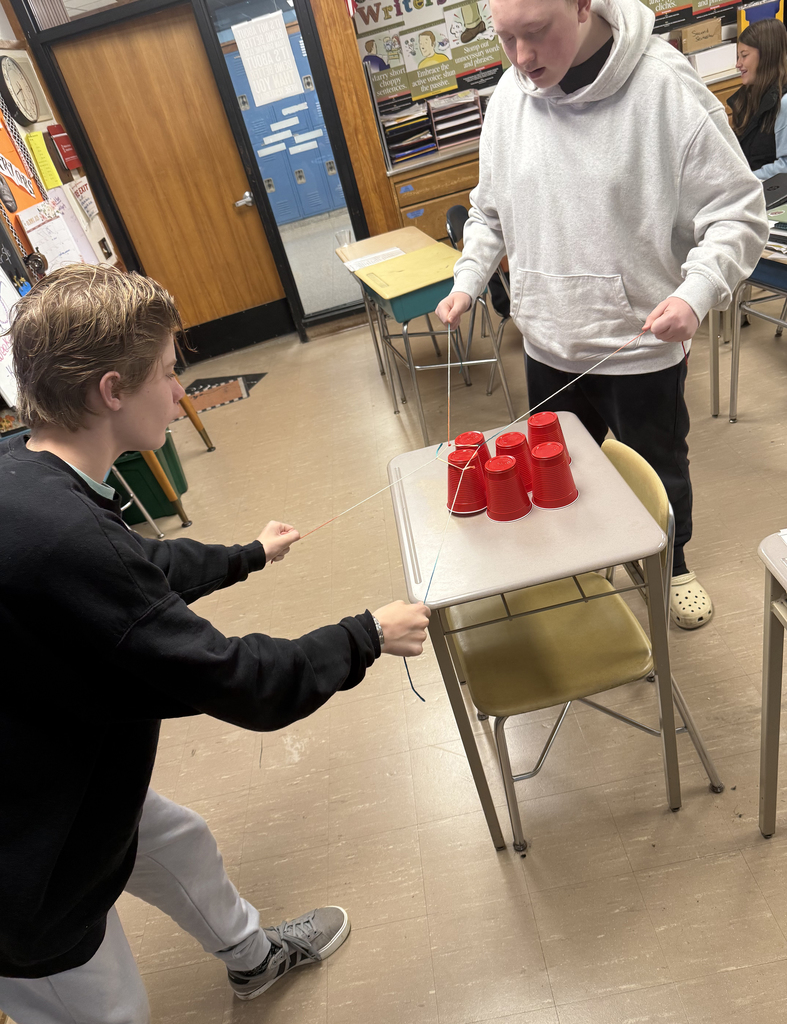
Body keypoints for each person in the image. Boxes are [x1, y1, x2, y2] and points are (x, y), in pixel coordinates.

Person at [0, 264, 430, 1023]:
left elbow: (138, 567)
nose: (179, 392)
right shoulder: (67, 537)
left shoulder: (22, 472)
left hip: (52, 767)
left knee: (178, 841)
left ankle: (252, 959)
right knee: (110, 1014)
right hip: (24, 869)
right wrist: (367, 634)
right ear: (111, 391)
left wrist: (246, 555)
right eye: (167, 374)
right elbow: (243, 682)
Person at [436, 0, 769, 630]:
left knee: (661, 471)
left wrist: (695, 292)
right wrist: (469, 279)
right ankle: (587, 565)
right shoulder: (509, 95)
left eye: (535, 34)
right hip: (546, 345)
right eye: (505, 40)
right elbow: (488, 212)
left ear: (584, 5)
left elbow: (738, 212)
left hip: (638, 347)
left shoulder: (665, 89)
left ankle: (672, 565)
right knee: (559, 476)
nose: (521, 59)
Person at [730, 18, 787, 179]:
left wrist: (744, 182)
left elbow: (785, 167)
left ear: (766, 57)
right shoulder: (745, 98)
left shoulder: (784, 103)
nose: (738, 64)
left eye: (744, 56)